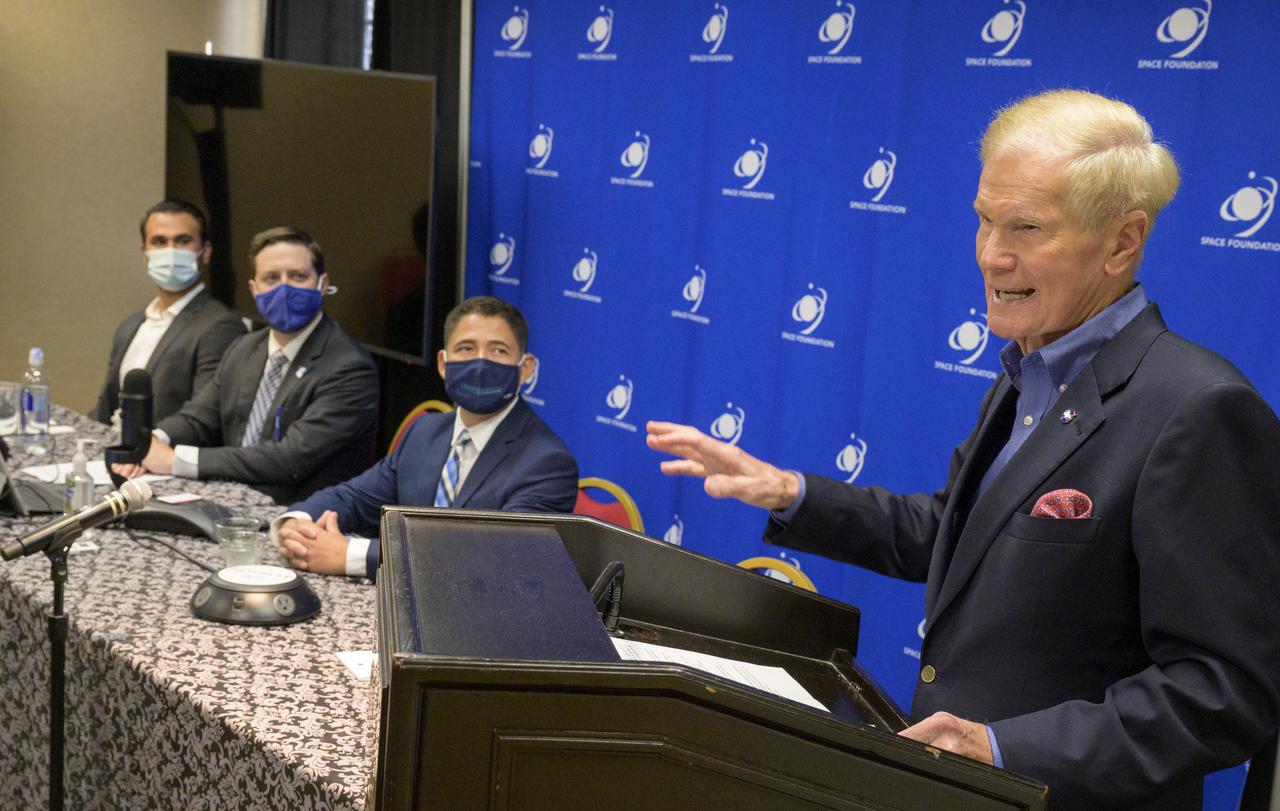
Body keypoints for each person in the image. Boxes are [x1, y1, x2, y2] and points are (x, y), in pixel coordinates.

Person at [647, 89, 1280, 809]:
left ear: (1122, 241)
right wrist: (790, 491)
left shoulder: (1198, 410)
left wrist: (1005, 747)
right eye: (983, 220)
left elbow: (1225, 691)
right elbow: (950, 532)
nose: (991, 254)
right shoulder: (1028, 369)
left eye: (1027, 227)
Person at [276, 295, 578, 579]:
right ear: (444, 365)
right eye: (466, 348)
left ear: (525, 369)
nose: (480, 363)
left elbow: (492, 558)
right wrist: (298, 524)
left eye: (498, 350)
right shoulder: (425, 431)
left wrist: (350, 555)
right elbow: (355, 497)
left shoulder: (548, 463)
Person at [112, 226, 379, 504]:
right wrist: (154, 442)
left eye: (298, 276)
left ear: (322, 285)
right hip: (230, 502)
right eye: (271, 278)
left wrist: (174, 460)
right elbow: (199, 417)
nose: (284, 288)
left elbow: (289, 459)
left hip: (299, 516)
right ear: (254, 289)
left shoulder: (349, 367)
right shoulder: (245, 347)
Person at [93, 200, 246, 425]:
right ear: (145, 253)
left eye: (183, 241)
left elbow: (204, 417)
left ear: (205, 252)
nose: (171, 251)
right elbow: (104, 410)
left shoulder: (220, 325)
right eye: (159, 242)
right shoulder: (131, 325)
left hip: (162, 453)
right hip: (111, 449)